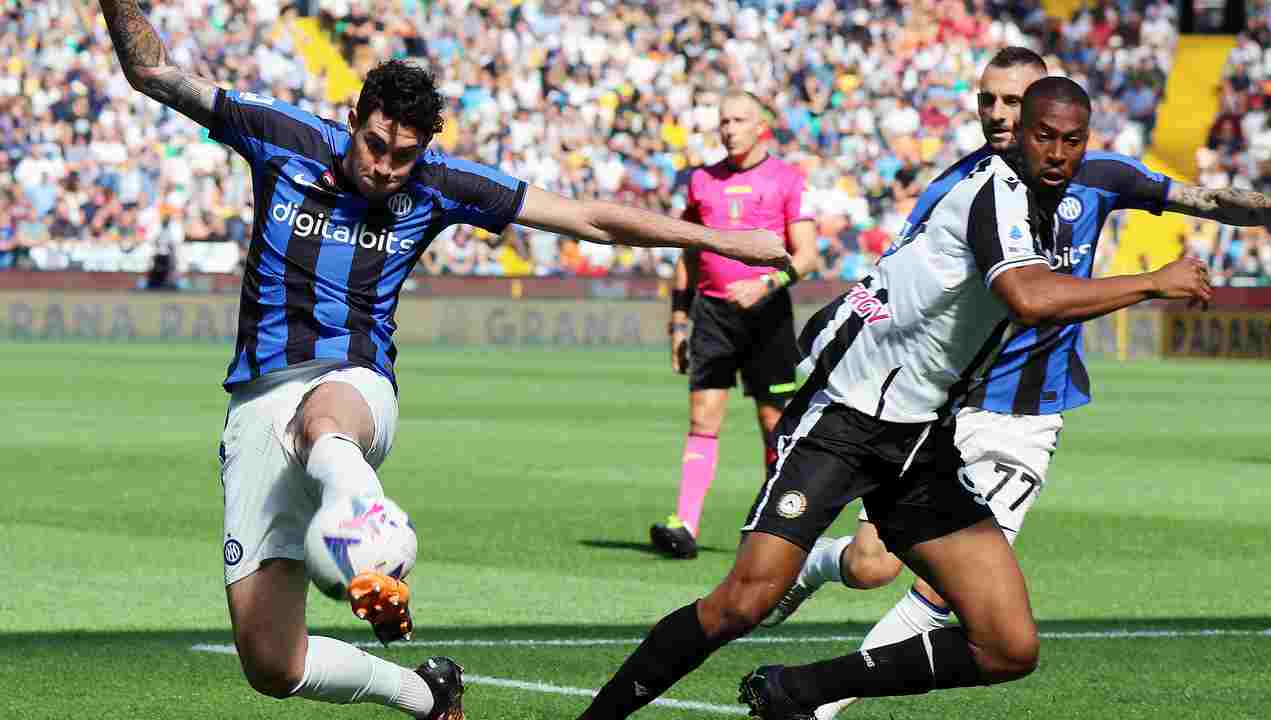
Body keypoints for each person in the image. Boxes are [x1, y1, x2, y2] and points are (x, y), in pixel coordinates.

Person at [97, 3, 787, 719]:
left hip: (352, 385)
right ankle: (427, 693)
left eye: (403, 155)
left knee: (319, 421)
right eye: (374, 145)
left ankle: (371, 534)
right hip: (256, 402)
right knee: (272, 662)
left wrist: (724, 241)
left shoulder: (440, 184)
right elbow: (151, 71)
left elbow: (587, 217)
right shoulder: (282, 137)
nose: (385, 168)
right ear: (355, 118)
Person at [575, 76, 1213, 720]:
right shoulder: (994, 190)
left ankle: (796, 691)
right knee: (742, 603)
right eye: (1042, 136)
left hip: (919, 435)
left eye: (1070, 142)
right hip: (845, 415)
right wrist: (1153, 282)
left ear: (1085, 145)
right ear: (1020, 136)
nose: (1055, 153)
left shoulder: (1050, 208)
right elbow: (1030, 298)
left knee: (1008, 646)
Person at [762, 48, 1271, 720]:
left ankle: (818, 705)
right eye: (990, 101)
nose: (1000, 115)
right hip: (942, 409)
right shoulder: (959, 186)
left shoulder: (1101, 176)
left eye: (1015, 102)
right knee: (870, 566)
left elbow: (1206, 199)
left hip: (1025, 418)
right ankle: (813, 570)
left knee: (948, 596)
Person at [651, 91, 819, 559]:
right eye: (723, 121)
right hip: (711, 314)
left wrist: (767, 284)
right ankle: (684, 524)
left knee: (774, 423)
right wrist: (678, 321)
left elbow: (806, 256)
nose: (729, 129)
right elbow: (687, 252)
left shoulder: (787, 177)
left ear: (760, 125)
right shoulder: (701, 180)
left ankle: (778, 528)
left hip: (768, 316)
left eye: (739, 120)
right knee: (703, 416)